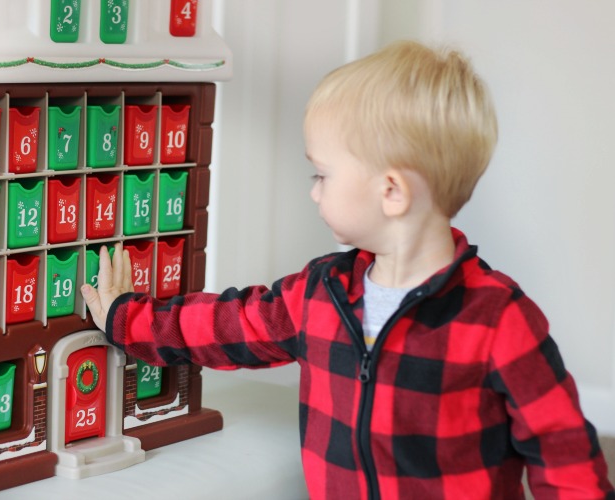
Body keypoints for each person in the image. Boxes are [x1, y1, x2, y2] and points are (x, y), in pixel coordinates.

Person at [81, 40, 614, 499]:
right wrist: (128, 320)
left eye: (322, 174)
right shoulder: (322, 293)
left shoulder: (499, 319)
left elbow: (565, 457)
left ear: (391, 191)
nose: (313, 192)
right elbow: (229, 325)